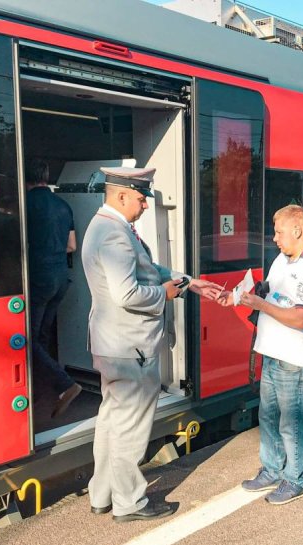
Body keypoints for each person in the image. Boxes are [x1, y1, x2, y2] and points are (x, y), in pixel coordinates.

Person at [82, 165, 222, 522]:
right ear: (122, 195)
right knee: (130, 429)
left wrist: (188, 282)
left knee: (112, 421)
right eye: (142, 198)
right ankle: (130, 503)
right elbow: (128, 292)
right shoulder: (114, 235)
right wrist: (165, 293)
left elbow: (147, 267)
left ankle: (101, 494)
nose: (145, 205)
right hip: (131, 348)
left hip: (112, 344)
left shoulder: (106, 227)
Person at [219, 204, 303, 505]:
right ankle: (271, 469)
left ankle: (294, 480)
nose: (274, 238)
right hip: (272, 354)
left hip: (296, 361)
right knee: (268, 417)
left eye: (279, 232)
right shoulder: (283, 260)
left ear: (298, 231)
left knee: (293, 424)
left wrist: (260, 305)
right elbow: (271, 293)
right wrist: (241, 296)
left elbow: (300, 318)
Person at [24, 158, 82, 418]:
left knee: (26, 339)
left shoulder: (23, 205)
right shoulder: (63, 205)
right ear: (46, 176)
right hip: (61, 278)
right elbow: (72, 246)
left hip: (38, 279)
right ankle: (41, 388)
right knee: (43, 337)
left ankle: (64, 384)